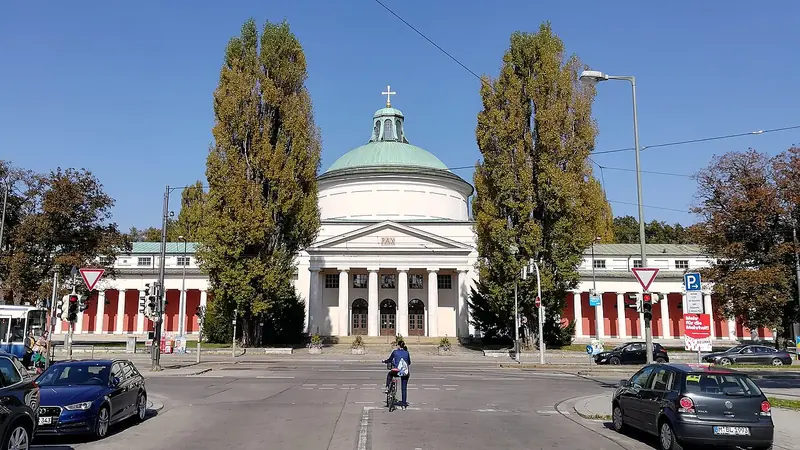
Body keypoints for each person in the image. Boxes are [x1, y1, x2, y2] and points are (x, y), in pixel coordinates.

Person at [383, 341, 411, 409]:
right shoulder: (407, 352)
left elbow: (390, 360)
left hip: (397, 371)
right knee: (404, 389)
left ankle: (387, 387)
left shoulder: (395, 352)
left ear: (398, 346)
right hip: (405, 372)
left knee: (390, 374)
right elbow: (409, 362)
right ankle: (404, 405)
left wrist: (384, 361)